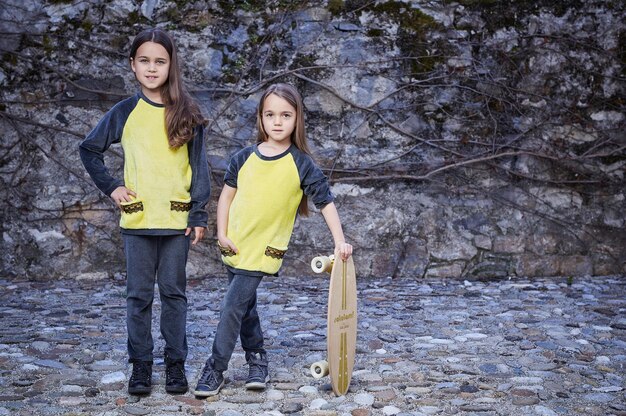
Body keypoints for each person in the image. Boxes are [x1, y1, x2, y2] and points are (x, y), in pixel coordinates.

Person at [193, 83, 353, 397]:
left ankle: (215, 369)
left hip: (263, 250)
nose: (277, 121)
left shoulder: (301, 164)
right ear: (261, 118)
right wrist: (222, 233)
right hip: (235, 244)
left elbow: (325, 202)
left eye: (285, 115)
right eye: (270, 114)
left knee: (231, 308)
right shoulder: (243, 157)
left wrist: (340, 241)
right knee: (245, 307)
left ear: (297, 119)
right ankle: (258, 361)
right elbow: (225, 198)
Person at [78, 28, 210, 395]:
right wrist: (113, 187)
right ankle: (140, 366)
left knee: (173, 293)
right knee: (138, 296)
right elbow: (89, 149)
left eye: (160, 61)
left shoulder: (188, 113)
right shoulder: (125, 112)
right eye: (145, 61)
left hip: (176, 221)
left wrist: (198, 214)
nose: (152, 68)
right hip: (137, 221)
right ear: (133, 66)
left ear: (171, 66)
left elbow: (198, 168)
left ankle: (174, 365)